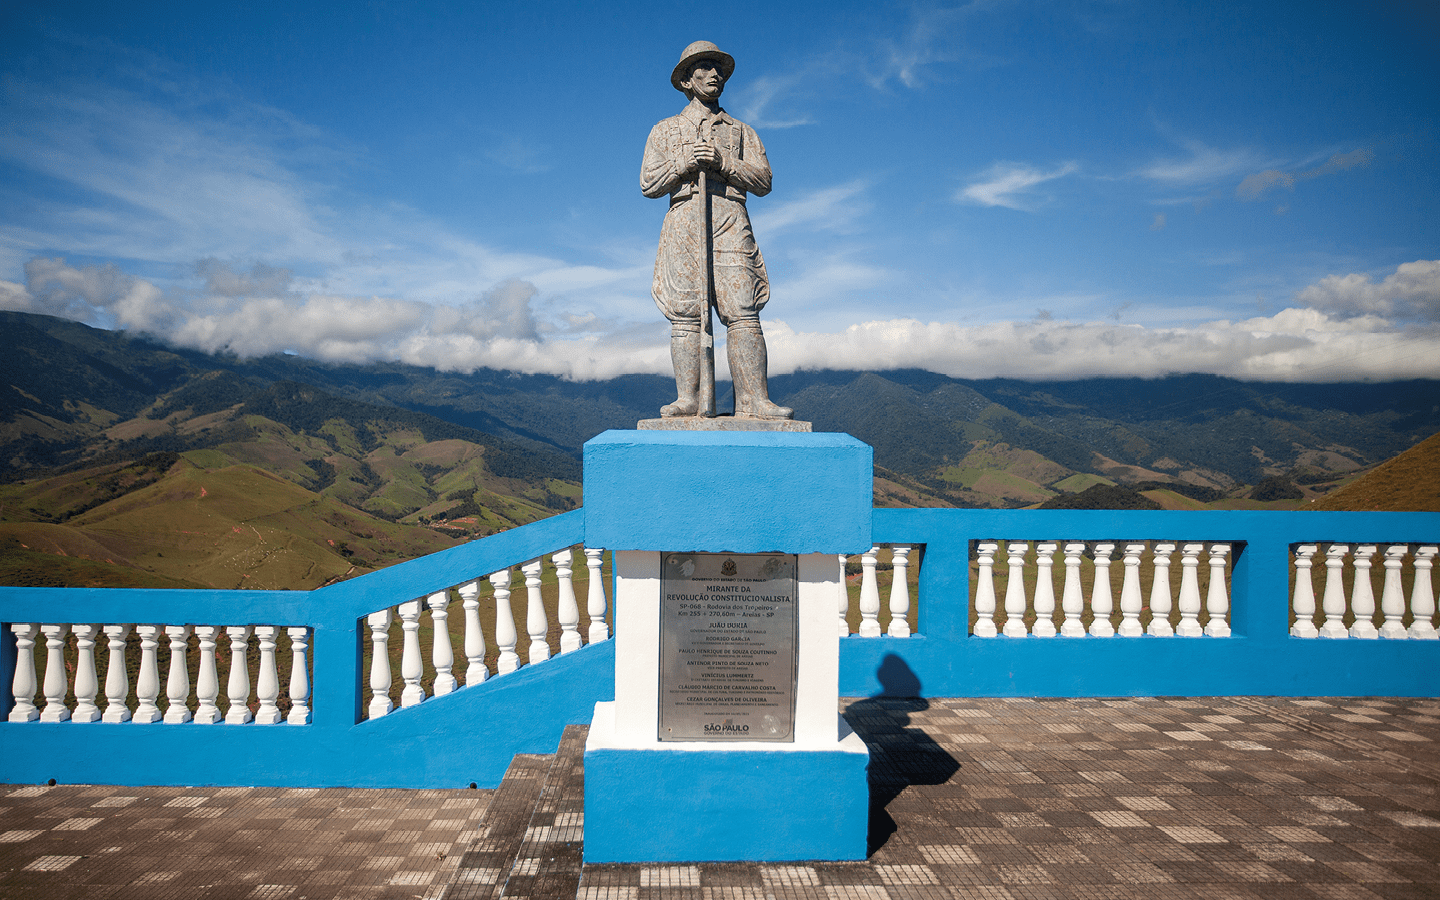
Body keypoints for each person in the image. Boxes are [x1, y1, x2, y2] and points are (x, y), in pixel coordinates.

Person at [641, 41, 793, 420]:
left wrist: (724, 161)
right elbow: (649, 183)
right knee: (686, 313)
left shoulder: (742, 131)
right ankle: (689, 398)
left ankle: (754, 400)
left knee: (743, 310)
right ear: (686, 81)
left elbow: (763, 180)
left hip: (728, 217)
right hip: (685, 219)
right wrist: (684, 162)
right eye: (705, 68)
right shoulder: (665, 130)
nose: (715, 75)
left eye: (718, 69)